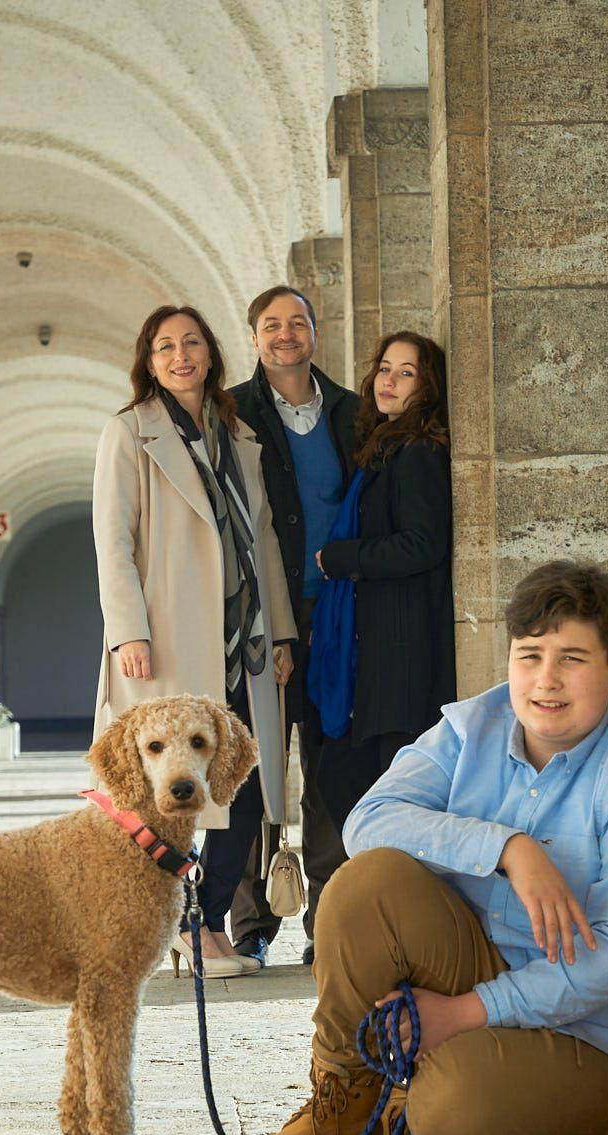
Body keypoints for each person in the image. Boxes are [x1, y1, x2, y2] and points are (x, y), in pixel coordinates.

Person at [249, 561, 608, 1135]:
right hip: (479, 965)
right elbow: (369, 820)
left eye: (573, 659)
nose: (547, 680)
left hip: (593, 1037)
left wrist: (465, 1012)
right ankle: (347, 1096)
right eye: (529, 656)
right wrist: (508, 848)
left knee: (455, 1122)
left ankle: (416, 1097)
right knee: (365, 884)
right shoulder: (471, 727)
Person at [91, 304, 297, 978]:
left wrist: (282, 632)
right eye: (165, 347)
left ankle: (206, 922)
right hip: (168, 640)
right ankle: (175, 925)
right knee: (167, 794)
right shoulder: (129, 433)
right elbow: (113, 542)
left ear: (211, 353)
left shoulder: (236, 436)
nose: (180, 356)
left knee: (240, 778)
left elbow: (262, 538)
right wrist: (128, 631)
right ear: (149, 363)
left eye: (191, 343)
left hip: (244, 640)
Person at [223, 286, 361, 969]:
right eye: (272, 325)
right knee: (257, 768)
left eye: (297, 322)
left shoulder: (352, 413)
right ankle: (250, 921)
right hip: (261, 616)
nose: (286, 334)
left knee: (330, 768)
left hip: (339, 615)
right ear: (254, 337)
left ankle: (328, 918)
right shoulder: (231, 412)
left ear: (314, 331)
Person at [308, 331, 455, 838]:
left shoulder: (418, 453)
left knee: (380, 784)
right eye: (385, 368)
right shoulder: (384, 448)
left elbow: (423, 544)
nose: (388, 380)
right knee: (343, 777)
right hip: (378, 648)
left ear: (427, 387)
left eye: (406, 373)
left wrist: (344, 557)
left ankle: (392, 875)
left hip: (401, 651)